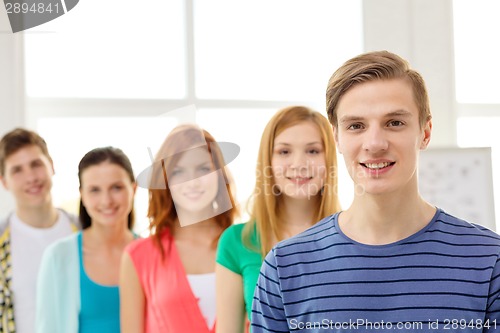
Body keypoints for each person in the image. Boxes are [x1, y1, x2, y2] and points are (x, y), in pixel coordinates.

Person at [251, 51, 500, 333]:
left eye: (394, 123)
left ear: (426, 132)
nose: (375, 143)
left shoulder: (489, 259)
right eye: (356, 126)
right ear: (337, 138)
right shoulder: (285, 266)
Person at [216, 106, 342, 333]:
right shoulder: (236, 242)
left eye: (312, 151)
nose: (299, 163)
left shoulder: (355, 236)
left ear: (329, 160)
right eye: (284, 152)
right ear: (268, 162)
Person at [120, 124, 238, 333]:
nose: (192, 182)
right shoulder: (138, 256)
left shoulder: (245, 245)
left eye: (203, 169)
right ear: (165, 180)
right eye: (179, 172)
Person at [36, 146, 137, 333]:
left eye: (116, 187)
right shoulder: (58, 256)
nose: (106, 200)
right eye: (94, 190)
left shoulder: (153, 253)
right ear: (82, 195)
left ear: (134, 188)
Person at [0, 128, 80, 333]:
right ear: (4, 181)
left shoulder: (84, 232)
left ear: (51, 166)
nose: (31, 177)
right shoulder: (1, 243)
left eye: (36, 164)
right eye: (17, 170)